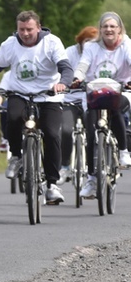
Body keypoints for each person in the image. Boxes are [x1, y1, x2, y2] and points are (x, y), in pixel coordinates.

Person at [0, 10, 71, 204]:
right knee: (11, 117)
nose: (25, 34)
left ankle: (52, 184)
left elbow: (65, 68)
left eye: (29, 29)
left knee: (52, 134)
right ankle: (17, 157)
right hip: (19, 93)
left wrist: (63, 83)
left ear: (38, 27)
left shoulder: (52, 42)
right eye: (21, 30)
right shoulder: (10, 44)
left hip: (48, 96)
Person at [72, 12, 131, 198]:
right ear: (101, 29)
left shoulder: (126, 45)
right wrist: (77, 78)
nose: (109, 29)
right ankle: (91, 179)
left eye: (113, 26)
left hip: (120, 91)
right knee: (91, 134)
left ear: (119, 29)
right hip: (95, 94)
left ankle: (123, 152)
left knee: (115, 110)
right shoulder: (91, 47)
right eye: (105, 26)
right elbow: (83, 64)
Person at [58, 26, 98, 184]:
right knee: (66, 130)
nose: (89, 45)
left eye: (93, 42)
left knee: (93, 132)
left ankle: (93, 168)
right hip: (70, 99)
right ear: (80, 41)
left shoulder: (98, 53)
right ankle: (65, 166)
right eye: (86, 41)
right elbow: (60, 70)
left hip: (91, 100)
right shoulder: (69, 52)